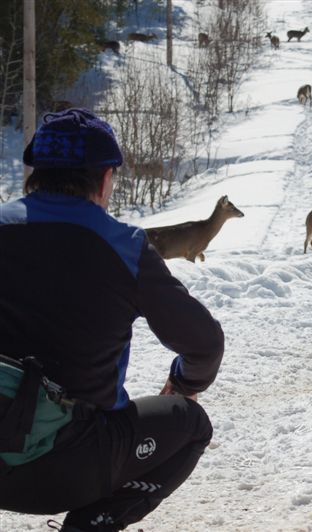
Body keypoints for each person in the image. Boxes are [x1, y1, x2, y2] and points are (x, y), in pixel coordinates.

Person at [0, 108, 225, 531]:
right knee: (189, 424)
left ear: (34, 172)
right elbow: (205, 344)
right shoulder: (125, 247)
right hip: (68, 470)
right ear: (105, 179)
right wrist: (183, 385)